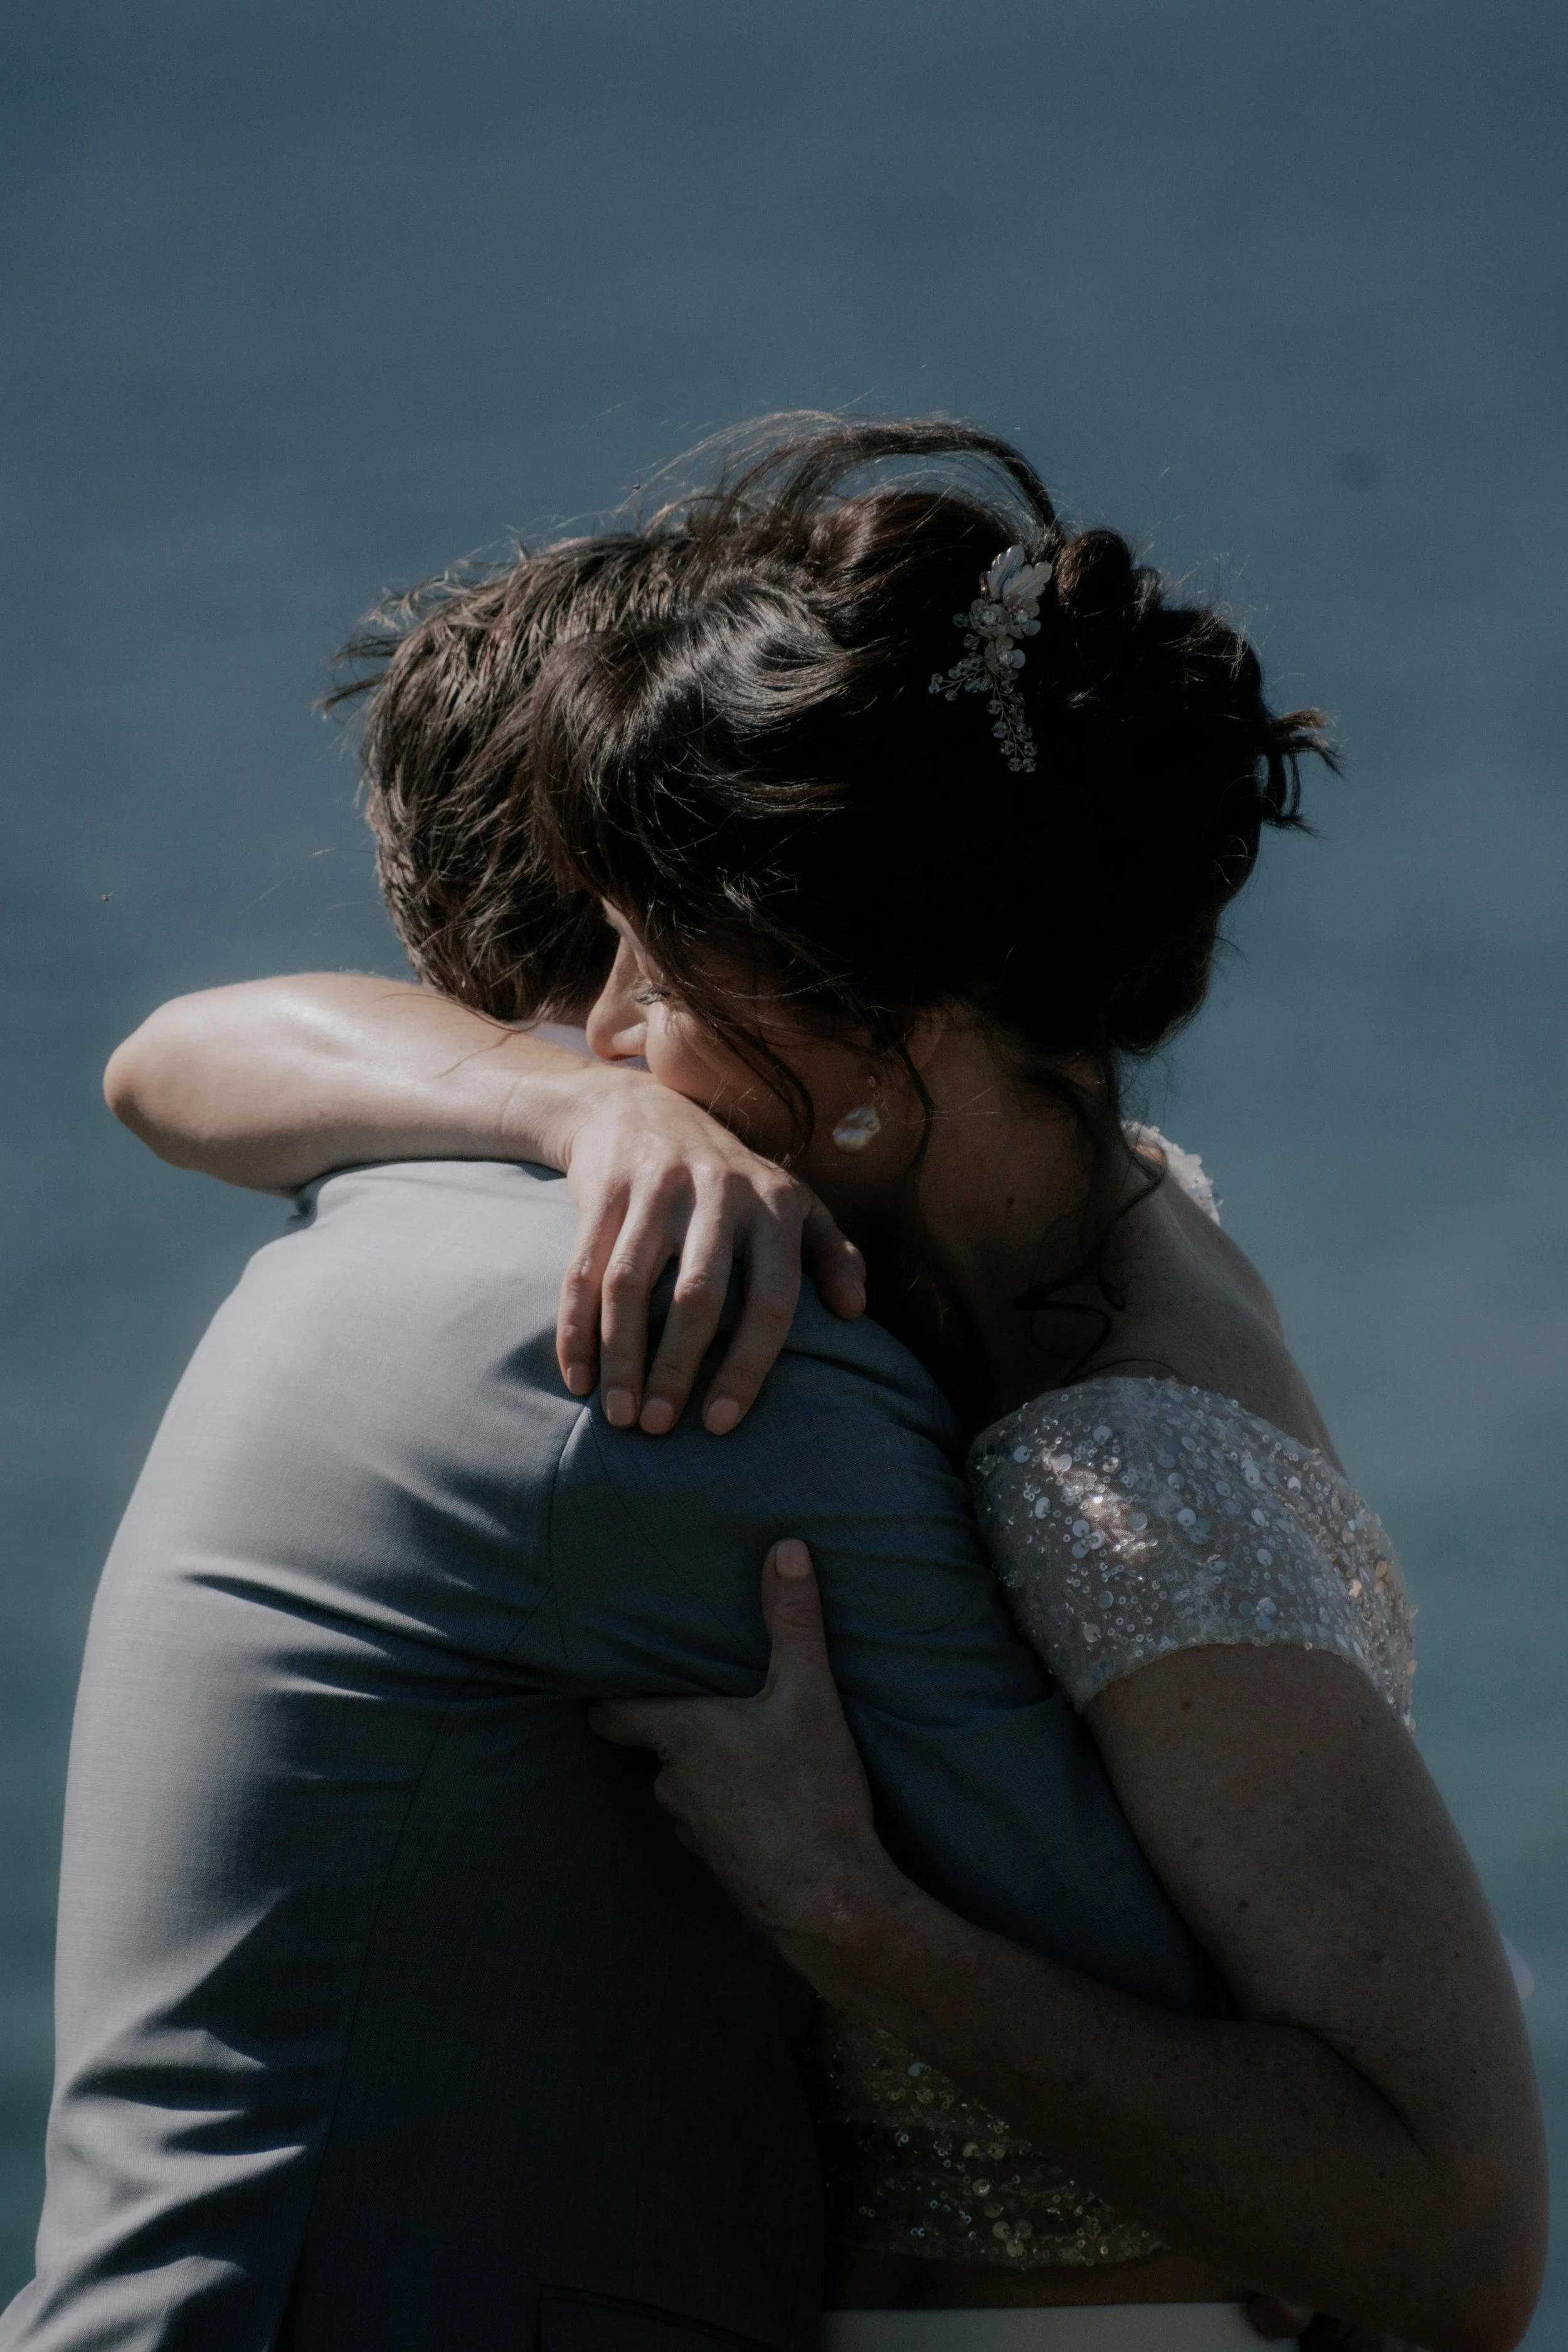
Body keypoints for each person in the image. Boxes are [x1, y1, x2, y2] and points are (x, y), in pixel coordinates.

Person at [102, 416, 1547, 2351]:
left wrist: (861, 1921)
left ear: (888, 1026)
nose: (599, 1031)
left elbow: (1453, 2247)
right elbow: (172, 1058)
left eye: (652, 966)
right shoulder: (1005, 1232)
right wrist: (557, 1103)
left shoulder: (1120, 1468)